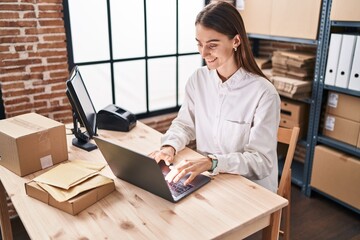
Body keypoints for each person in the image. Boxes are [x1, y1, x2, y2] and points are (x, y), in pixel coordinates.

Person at [149, 1, 280, 192]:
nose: (203, 53)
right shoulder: (198, 79)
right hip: (209, 179)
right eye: (199, 44)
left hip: (250, 188)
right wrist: (169, 147)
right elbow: (185, 124)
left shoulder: (264, 93)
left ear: (235, 41)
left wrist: (213, 162)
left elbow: (261, 162)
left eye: (212, 45)